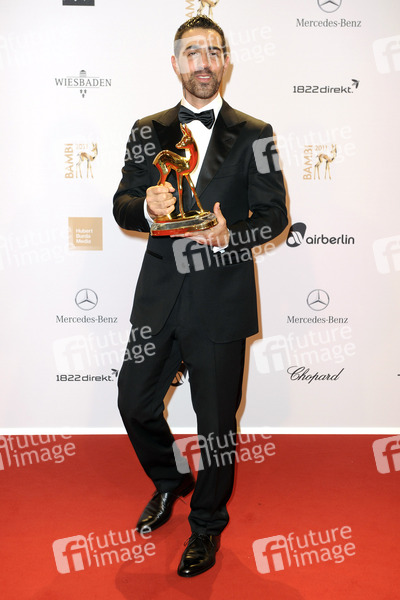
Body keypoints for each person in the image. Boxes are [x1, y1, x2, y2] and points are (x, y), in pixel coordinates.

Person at [113, 15, 288, 577]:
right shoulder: (147, 129)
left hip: (220, 299)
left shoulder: (256, 133)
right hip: (160, 298)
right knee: (134, 401)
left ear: (226, 60)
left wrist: (231, 233)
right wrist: (147, 208)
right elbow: (121, 204)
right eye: (192, 52)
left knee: (215, 425)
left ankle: (207, 524)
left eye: (213, 51)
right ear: (175, 63)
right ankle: (170, 481)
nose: (203, 62)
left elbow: (275, 216)